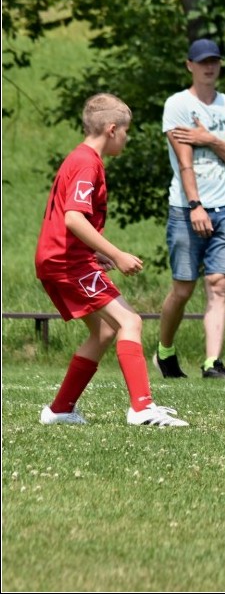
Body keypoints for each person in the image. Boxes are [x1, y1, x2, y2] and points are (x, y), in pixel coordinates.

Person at [36, 93, 189, 427]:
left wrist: (98, 252)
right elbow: (74, 218)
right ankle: (142, 408)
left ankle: (60, 409)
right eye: (126, 131)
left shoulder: (79, 158)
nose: (127, 138)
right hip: (67, 263)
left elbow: (70, 220)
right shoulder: (88, 163)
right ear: (111, 129)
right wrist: (118, 255)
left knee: (105, 331)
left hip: (60, 259)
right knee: (129, 322)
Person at [152, 38, 225, 380]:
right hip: (186, 207)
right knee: (183, 288)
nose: (209, 67)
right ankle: (164, 351)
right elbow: (185, 162)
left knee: (218, 283)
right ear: (189, 65)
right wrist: (196, 206)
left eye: (214, 61)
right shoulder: (177, 104)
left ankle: (213, 362)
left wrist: (211, 140)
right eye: (202, 61)